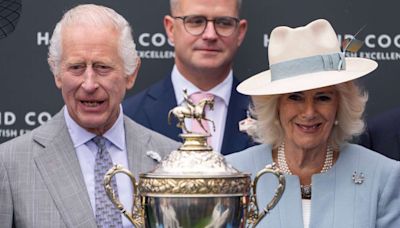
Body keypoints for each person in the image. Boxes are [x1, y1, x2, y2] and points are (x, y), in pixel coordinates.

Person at [0, 4, 179, 228]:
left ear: (130, 74)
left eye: (103, 67)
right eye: (76, 67)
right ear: (57, 73)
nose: (89, 84)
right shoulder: (9, 164)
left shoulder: (172, 160)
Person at [226, 19, 400, 227]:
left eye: (323, 97)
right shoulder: (233, 174)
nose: (309, 112)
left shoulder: (383, 176)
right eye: (295, 97)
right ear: (276, 105)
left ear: (340, 104)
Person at [123, 0, 253, 155]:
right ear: (171, 29)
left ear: (240, 32)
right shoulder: (129, 115)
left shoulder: (269, 116)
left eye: (224, 23)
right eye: (196, 22)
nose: (210, 35)